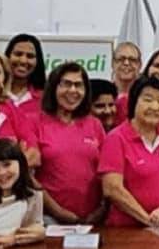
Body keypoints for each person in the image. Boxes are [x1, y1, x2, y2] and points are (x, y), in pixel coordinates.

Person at [100, 75, 159, 227]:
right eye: (148, 100)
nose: (155, 107)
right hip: (126, 230)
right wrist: (148, 220)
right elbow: (112, 188)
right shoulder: (116, 138)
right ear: (133, 103)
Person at [33, 59, 106, 226]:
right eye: (66, 84)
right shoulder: (35, 123)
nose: (73, 90)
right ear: (53, 87)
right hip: (49, 218)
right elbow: (28, 176)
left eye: (78, 85)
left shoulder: (95, 124)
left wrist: (101, 210)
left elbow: (106, 172)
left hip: (93, 220)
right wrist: (57, 211)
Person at [3, 32, 46, 106]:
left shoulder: (46, 98)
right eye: (18, 54)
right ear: (8, 56)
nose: (23, 61)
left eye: (30, 56)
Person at [110, 41, 143, 107]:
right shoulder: (105, 94)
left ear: (140, 65)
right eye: (121, 59)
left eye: (132, 59)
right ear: (113, 63)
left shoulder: (145, 94)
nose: (126, 63)